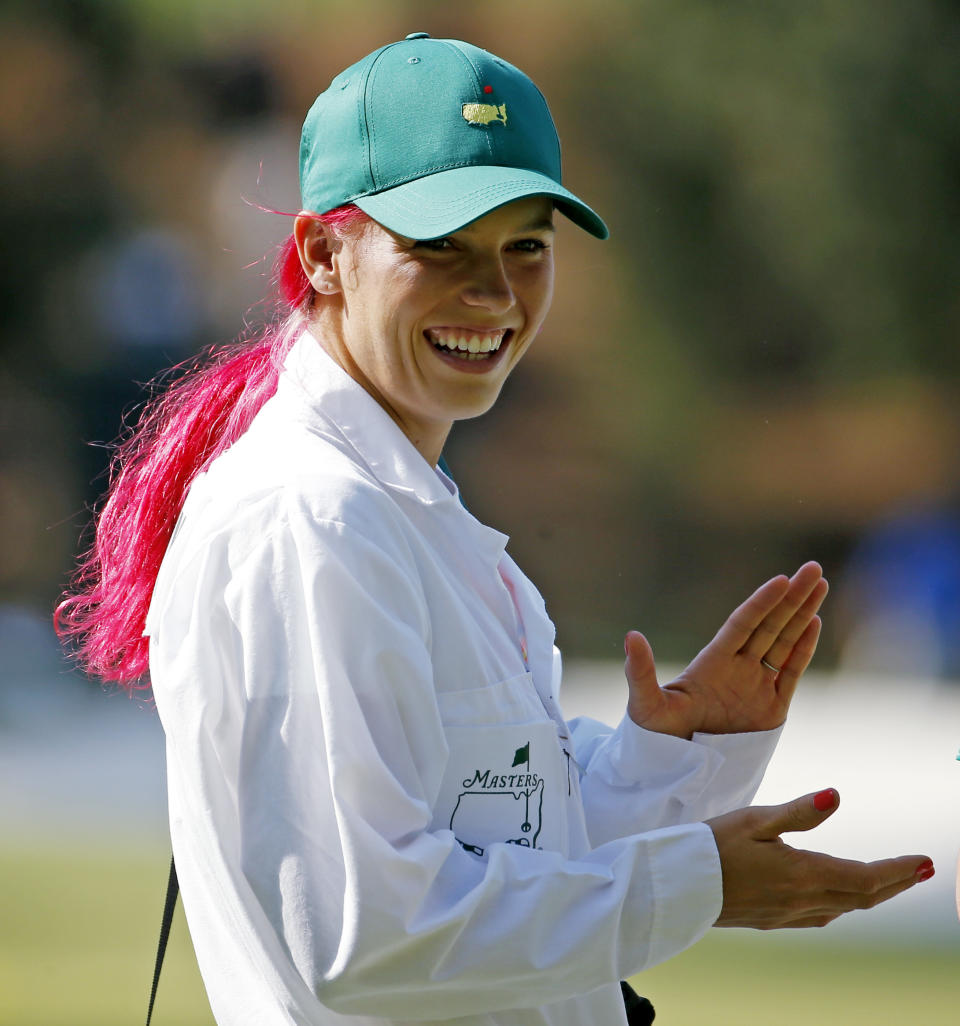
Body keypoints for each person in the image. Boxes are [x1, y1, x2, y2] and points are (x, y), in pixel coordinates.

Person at [58, 34, 934, 1026]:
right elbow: (361, 933)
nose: (494, 291)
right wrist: (696, 886)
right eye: (440, 245)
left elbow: (503, 850)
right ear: (322, 255)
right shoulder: (312, 519)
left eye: (526, 244)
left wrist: (676, 755)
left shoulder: (395, 505)